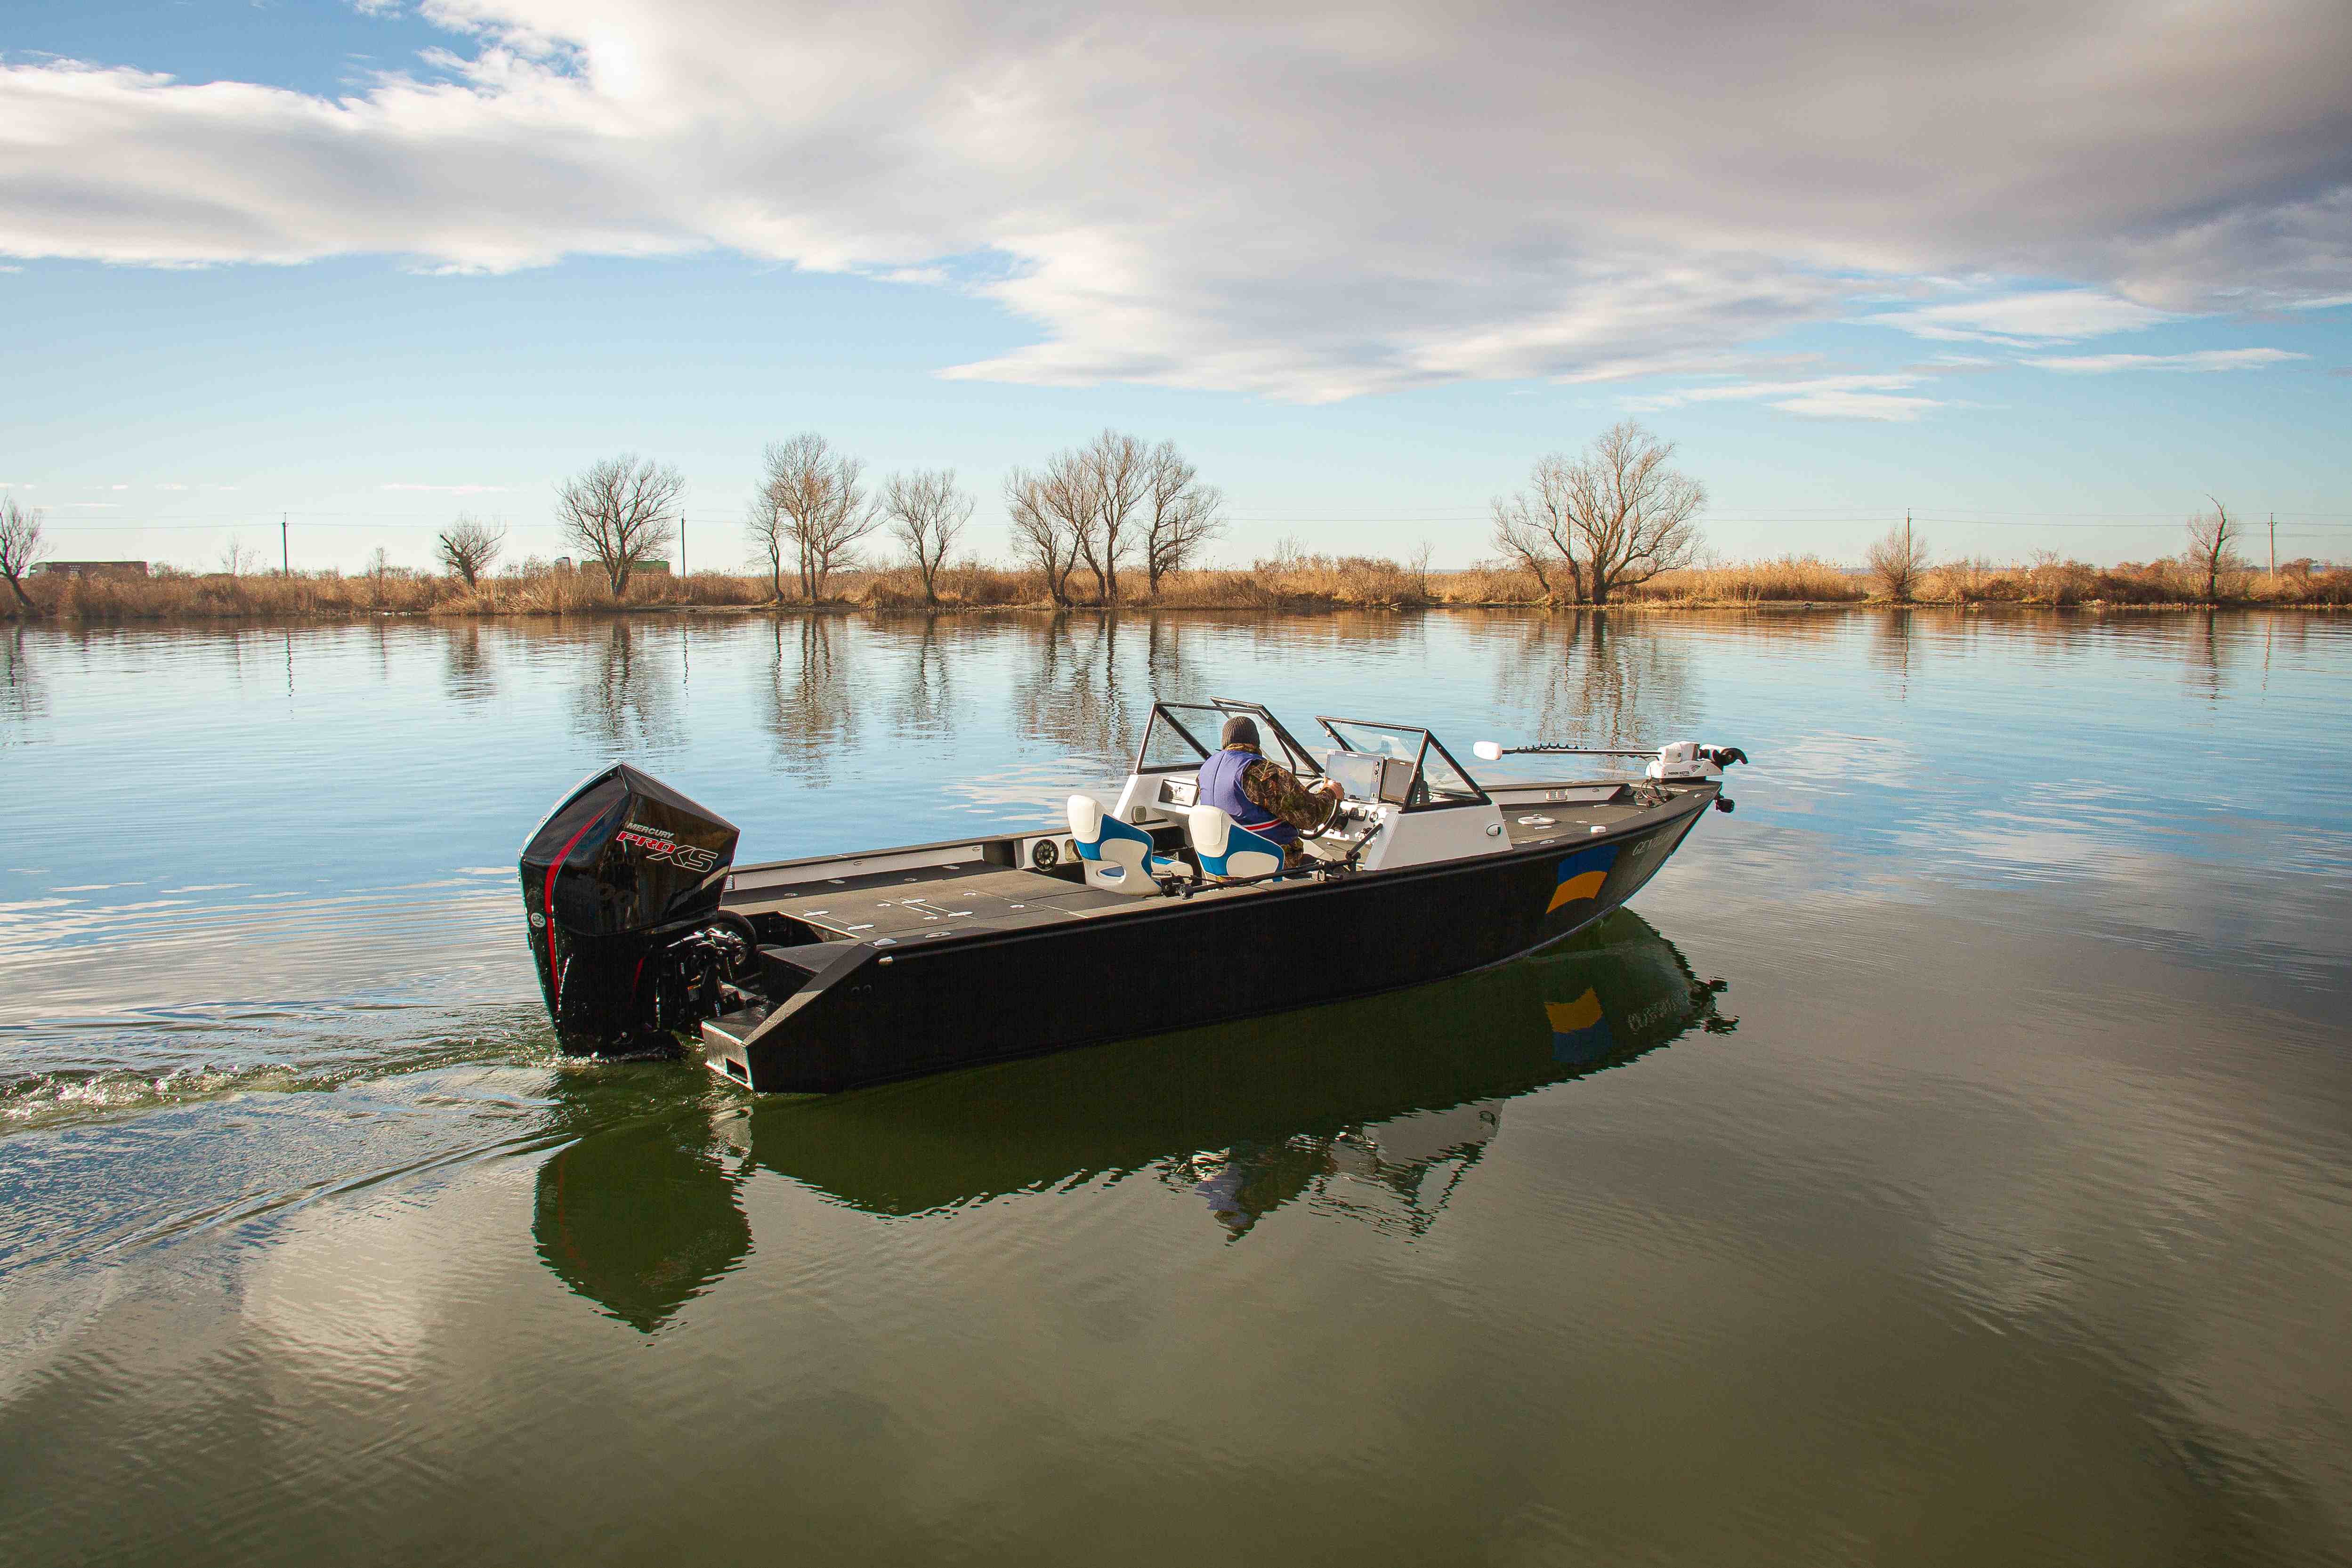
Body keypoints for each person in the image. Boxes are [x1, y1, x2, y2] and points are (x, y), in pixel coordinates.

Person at [1196, 714, 1343, 868]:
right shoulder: (1263, 774)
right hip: (1269, 864)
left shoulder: (1206, 770)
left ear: (1225, 742)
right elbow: (1312, 818)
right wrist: (1331, 792)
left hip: (1222, 863)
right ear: (1256, 742)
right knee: (1338, 871)